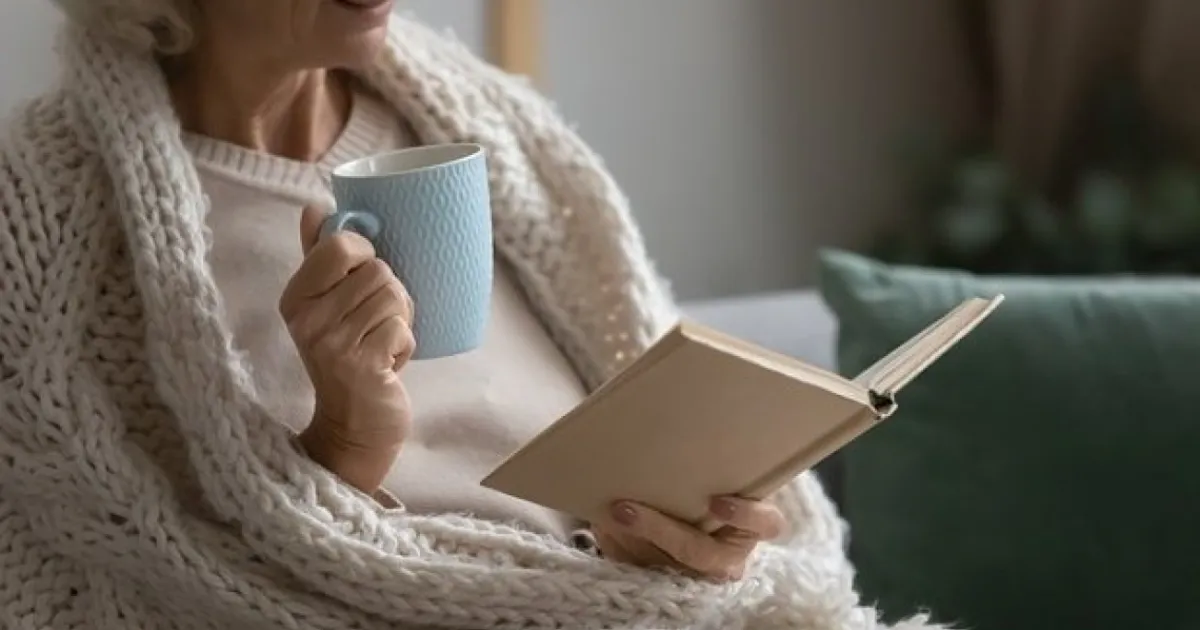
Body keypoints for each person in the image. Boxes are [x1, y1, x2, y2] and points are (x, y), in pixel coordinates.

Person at [0, 1, 936, 629]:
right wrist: (345, 445)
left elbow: (616, 465)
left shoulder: (484, 119)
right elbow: (154, 573)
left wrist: (666, 538)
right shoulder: (42, 212)